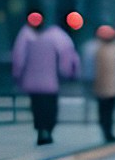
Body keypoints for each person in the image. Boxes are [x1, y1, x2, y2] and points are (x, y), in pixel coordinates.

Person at [11, 10, 80, 145]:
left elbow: (18, 59)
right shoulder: (57, 38)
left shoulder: (25, 37)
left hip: (32, 83)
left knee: (37, 108)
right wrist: (68, 74)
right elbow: (67, 59)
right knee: (49, 108)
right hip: (50, 84)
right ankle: (47, 131)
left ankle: (41, 131)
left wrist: (17, 75)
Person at [93, 25, 115, 142]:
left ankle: (107, 132)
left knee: (105, 112)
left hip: (105, 87)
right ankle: (107, 132)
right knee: (107, 112)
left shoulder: (98, 50)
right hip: (110, 87)